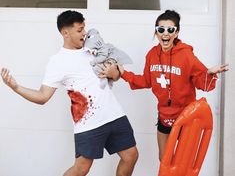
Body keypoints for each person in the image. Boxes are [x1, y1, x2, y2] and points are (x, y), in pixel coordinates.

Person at [1, 10, 138, 176]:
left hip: (115, 115)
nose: (84, 33)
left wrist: (113, 73)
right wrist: (16, 88)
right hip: (89, 124)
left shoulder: (93, 48)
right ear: (65, 33)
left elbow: (115, 76)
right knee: (81, 169)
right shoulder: (58, 62)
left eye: (84, 28)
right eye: (79, 30)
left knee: (131, 156)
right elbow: (43, 96)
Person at [99, 10, 228, 161]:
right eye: (160, 29)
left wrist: (210, 73)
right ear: (156, 32)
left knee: (183, 161)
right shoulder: (152, 54)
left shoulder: (186, 55)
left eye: (170, 29)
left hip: (186, 116)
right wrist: (123, 74)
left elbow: (203, 84)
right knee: (165, 159)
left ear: (176, 33)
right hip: (165, 116)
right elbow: (146, 81)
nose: (165, 33)